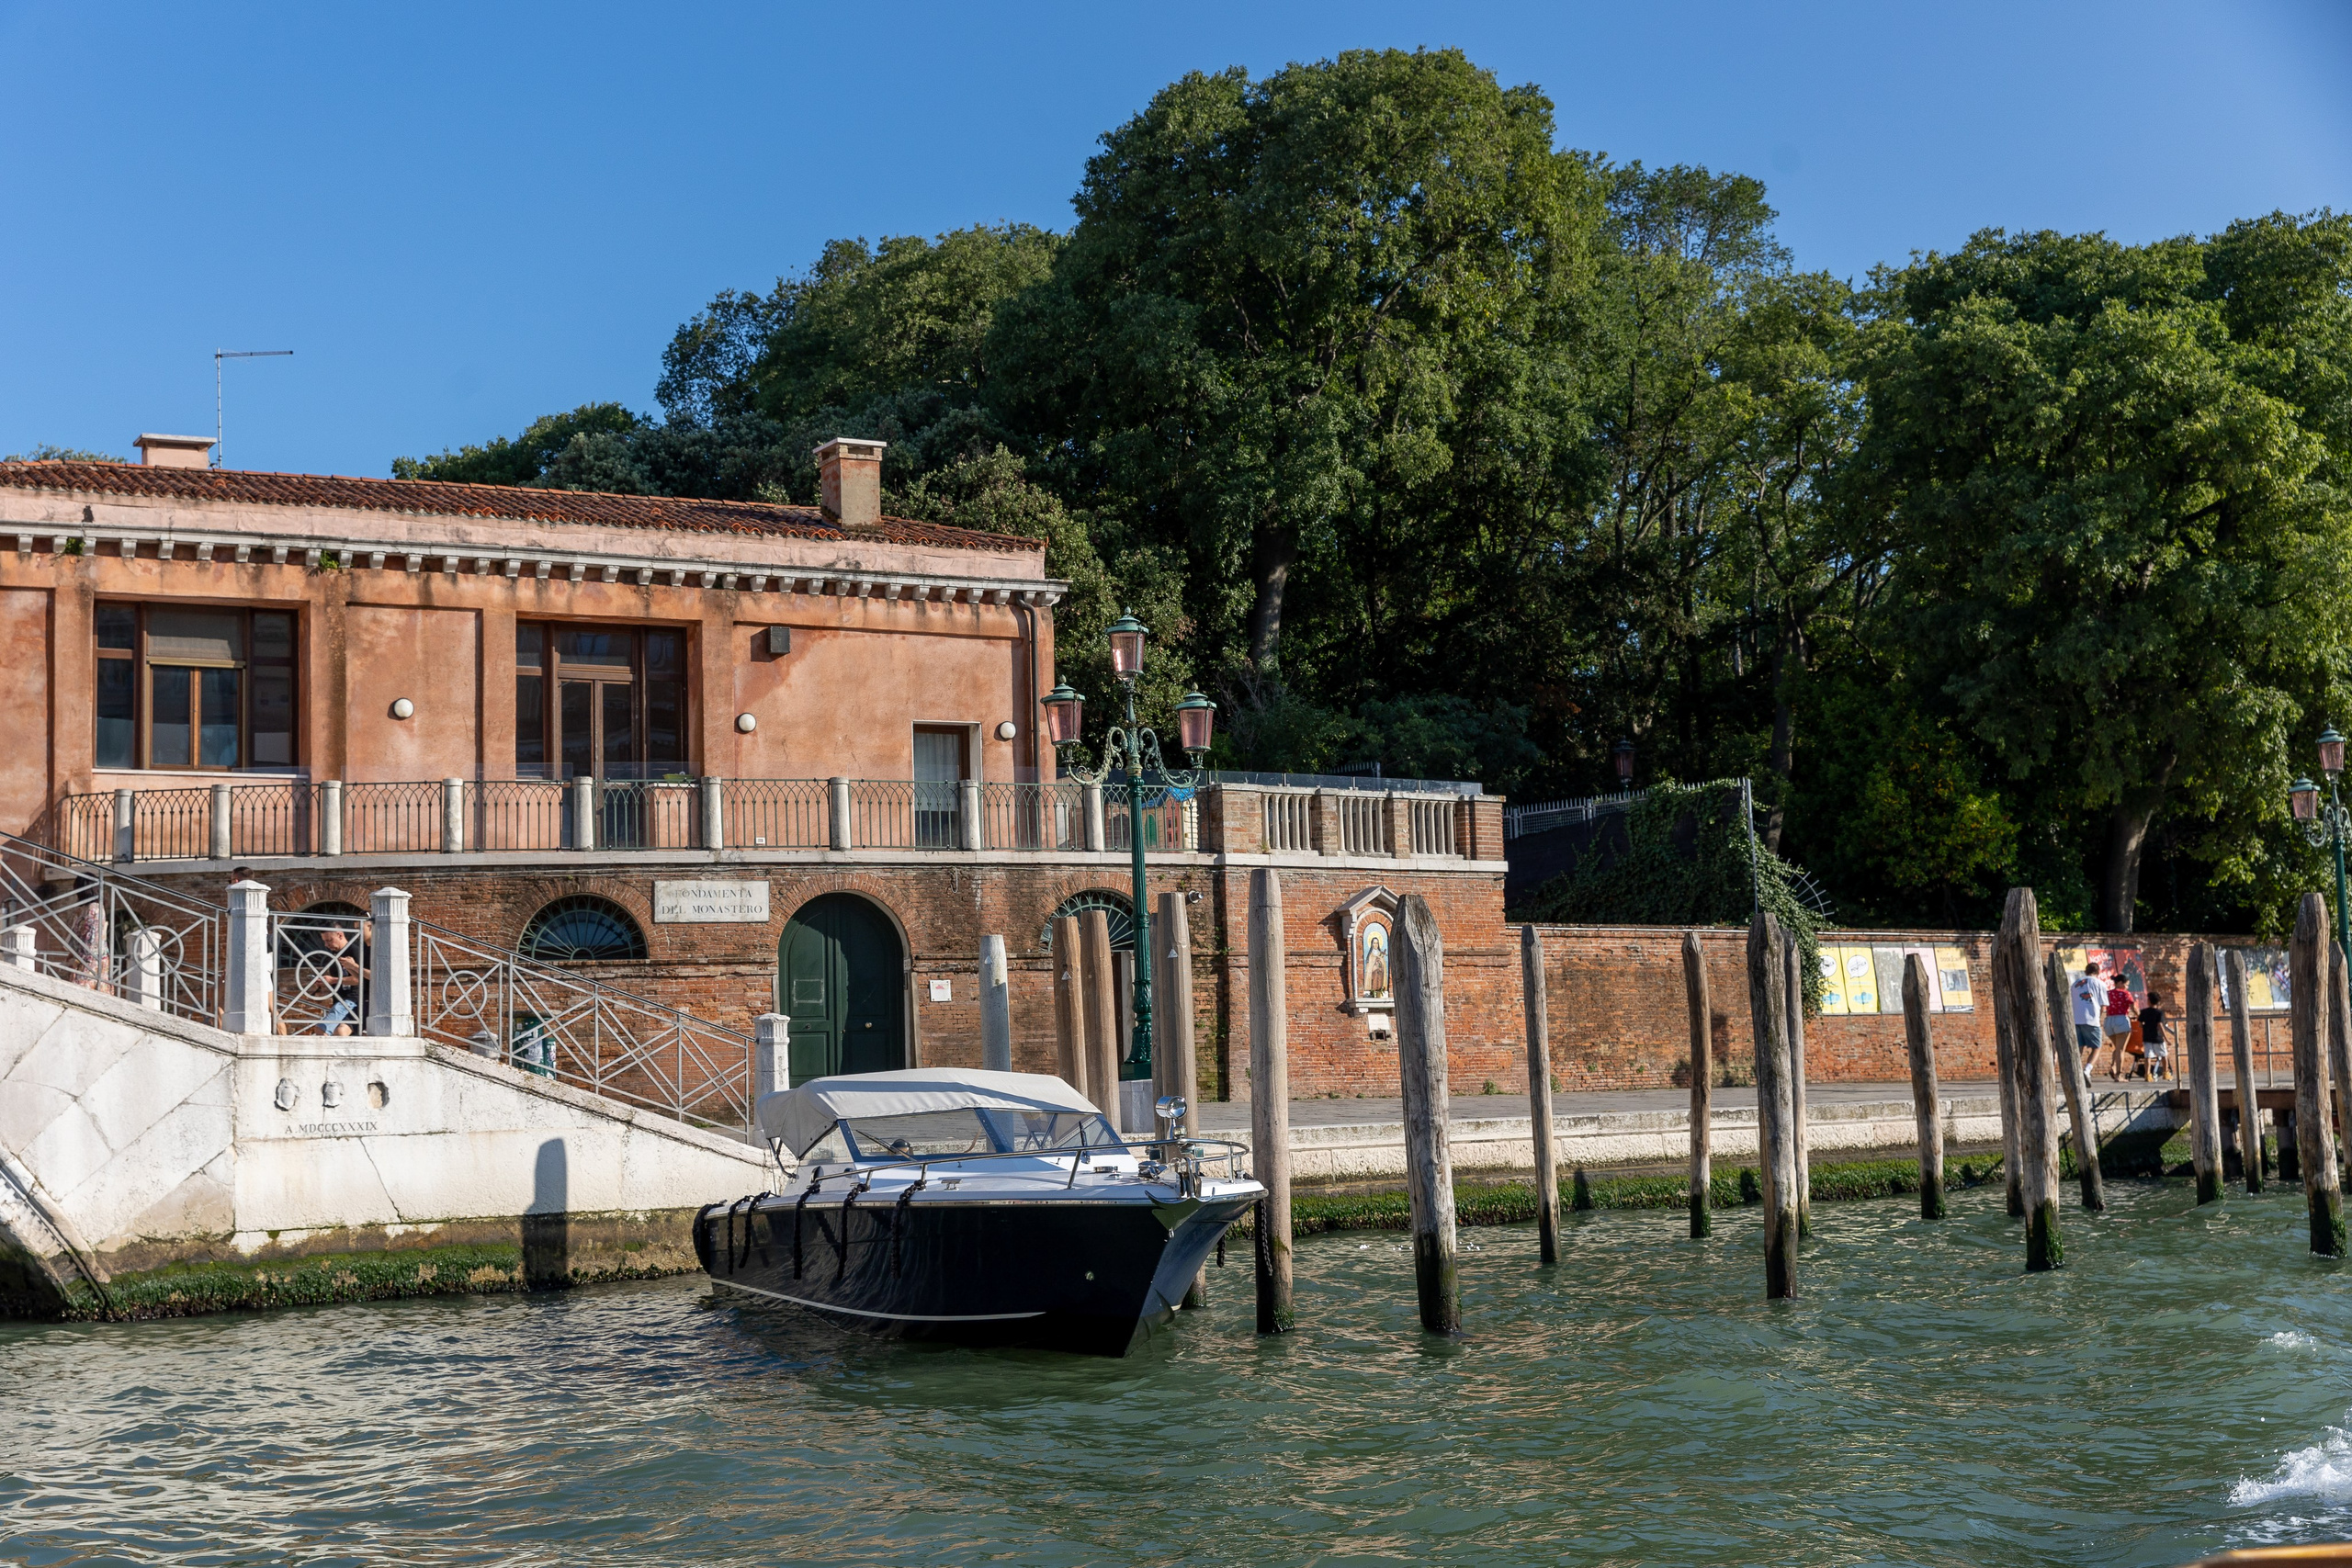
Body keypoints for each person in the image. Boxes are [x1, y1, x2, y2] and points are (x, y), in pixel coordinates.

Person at [2070, 960, 2106, 1083]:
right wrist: (2099, 1019)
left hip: (2075, 1019)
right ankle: (2087, 1070)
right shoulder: (2100, 984)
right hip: (2092, 1019)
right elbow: (2103, 1006)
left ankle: (2075, 1073)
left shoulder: (2074, 984)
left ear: (2086, 971)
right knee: (2096, 1047)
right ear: (2098, 972)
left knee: (2079, 1047)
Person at [2103, 972, 2137, 1079]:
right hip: (2121, 1020)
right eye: (2126, 985)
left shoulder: (2107, 993)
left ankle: (2113, 1067)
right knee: (2121, 1049)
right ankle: (2119, 1074)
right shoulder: (2125, 993)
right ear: (2120, 983)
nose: (2127, 987)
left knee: (2117, 1047)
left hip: (2108, 1021)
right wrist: (2140, 1017)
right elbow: (2133, 1008)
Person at [2139, 990, 2171, 1082]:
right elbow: (2160, 1025)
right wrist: (2166, 1038)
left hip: (2147, 1036)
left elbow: (2140, 1025)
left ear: (2149, 1001)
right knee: (2164, 1055)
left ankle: (2147, 1075)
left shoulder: (2144, 1012)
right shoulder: (2159, 1013)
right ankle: (2166, 1072)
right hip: (2157, 1037)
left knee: (2148, 1056)